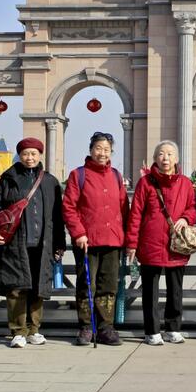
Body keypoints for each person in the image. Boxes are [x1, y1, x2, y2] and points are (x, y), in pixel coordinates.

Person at [0, 138, 64, 348]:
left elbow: (58, 216)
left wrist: (59, 243)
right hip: (15, 241)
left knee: (38, 286)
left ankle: (34, 329)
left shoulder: (50, 181)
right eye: (25, 154)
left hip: (42, 243)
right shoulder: (9, 177)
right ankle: (18, 331)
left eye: (34, 154)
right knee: (16, 286)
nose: (30, 158)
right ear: (19, 155)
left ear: (40, 155)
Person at [125, 140, 196, 345]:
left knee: (176, 291)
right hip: (150, 244)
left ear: (177, 158)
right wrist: (132, 243)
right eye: (161, 154)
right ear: (155, 158)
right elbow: (135, 214)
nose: (165, 158)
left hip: (176, 245)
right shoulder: (145, 183)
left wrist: (186, 219)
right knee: (150, 292)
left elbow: (193, 208)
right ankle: (152, 331)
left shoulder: (185, 183)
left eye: (170, 154)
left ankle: (173, 328)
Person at [62, 132, 129, 346]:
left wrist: (126, 237)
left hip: (113, 240)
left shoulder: (116, 176)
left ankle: (105, 327)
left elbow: (123, 208)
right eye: (98, 148)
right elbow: (69, 207)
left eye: (107, 149)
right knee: (86, 285)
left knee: (108, 286)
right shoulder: (78, 175)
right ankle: (86, 327)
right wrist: (78, 232)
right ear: (91, 150)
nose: (102, 153)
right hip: (87, 241)